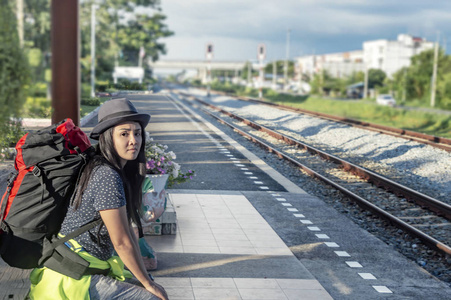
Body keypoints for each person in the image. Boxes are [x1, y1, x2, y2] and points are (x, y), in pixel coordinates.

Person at [28, 98, 169, 300]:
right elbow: (121, 242)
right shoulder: (106, 175)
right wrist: (148, 284)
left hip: (85, 266)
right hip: (74, 275)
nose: (134, 140)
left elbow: (129, 233)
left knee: (148, 286)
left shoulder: (113, 170)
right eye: (124, 134)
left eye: (137, 133)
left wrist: (147, 279)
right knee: (152, 297)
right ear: (108, 137)